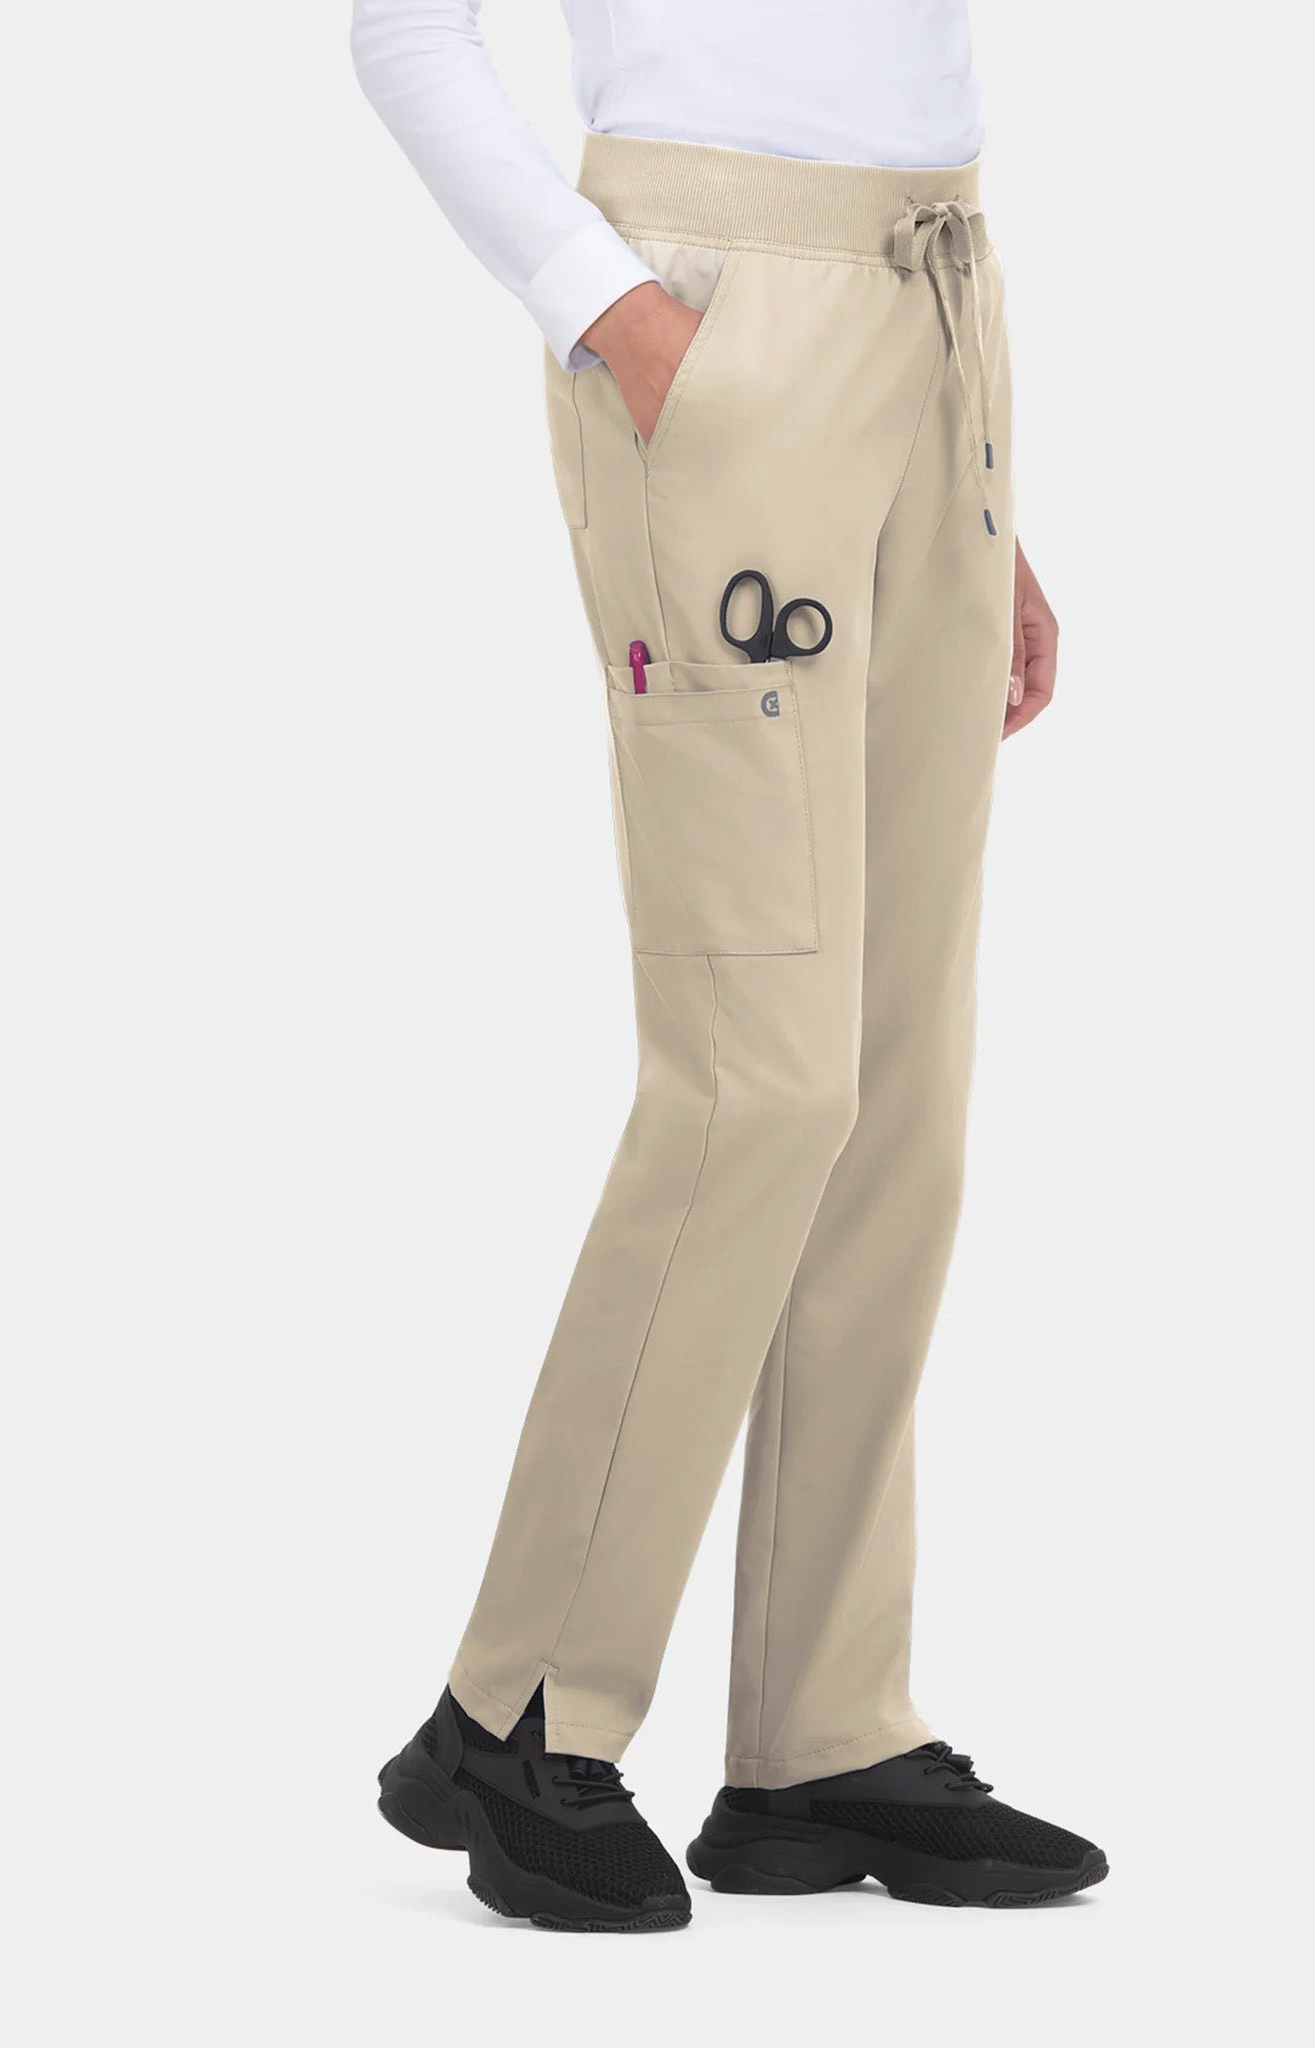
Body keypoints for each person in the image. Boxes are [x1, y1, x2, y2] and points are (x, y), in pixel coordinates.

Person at [352, 0, 1104, 1933]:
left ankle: (821, 1731)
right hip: (707, 308)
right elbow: (404, 30)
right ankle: (515, 1708)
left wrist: (967, 497)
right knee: (754, 1077)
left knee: (893, 1090)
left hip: (936, 298)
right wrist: (606, 307)